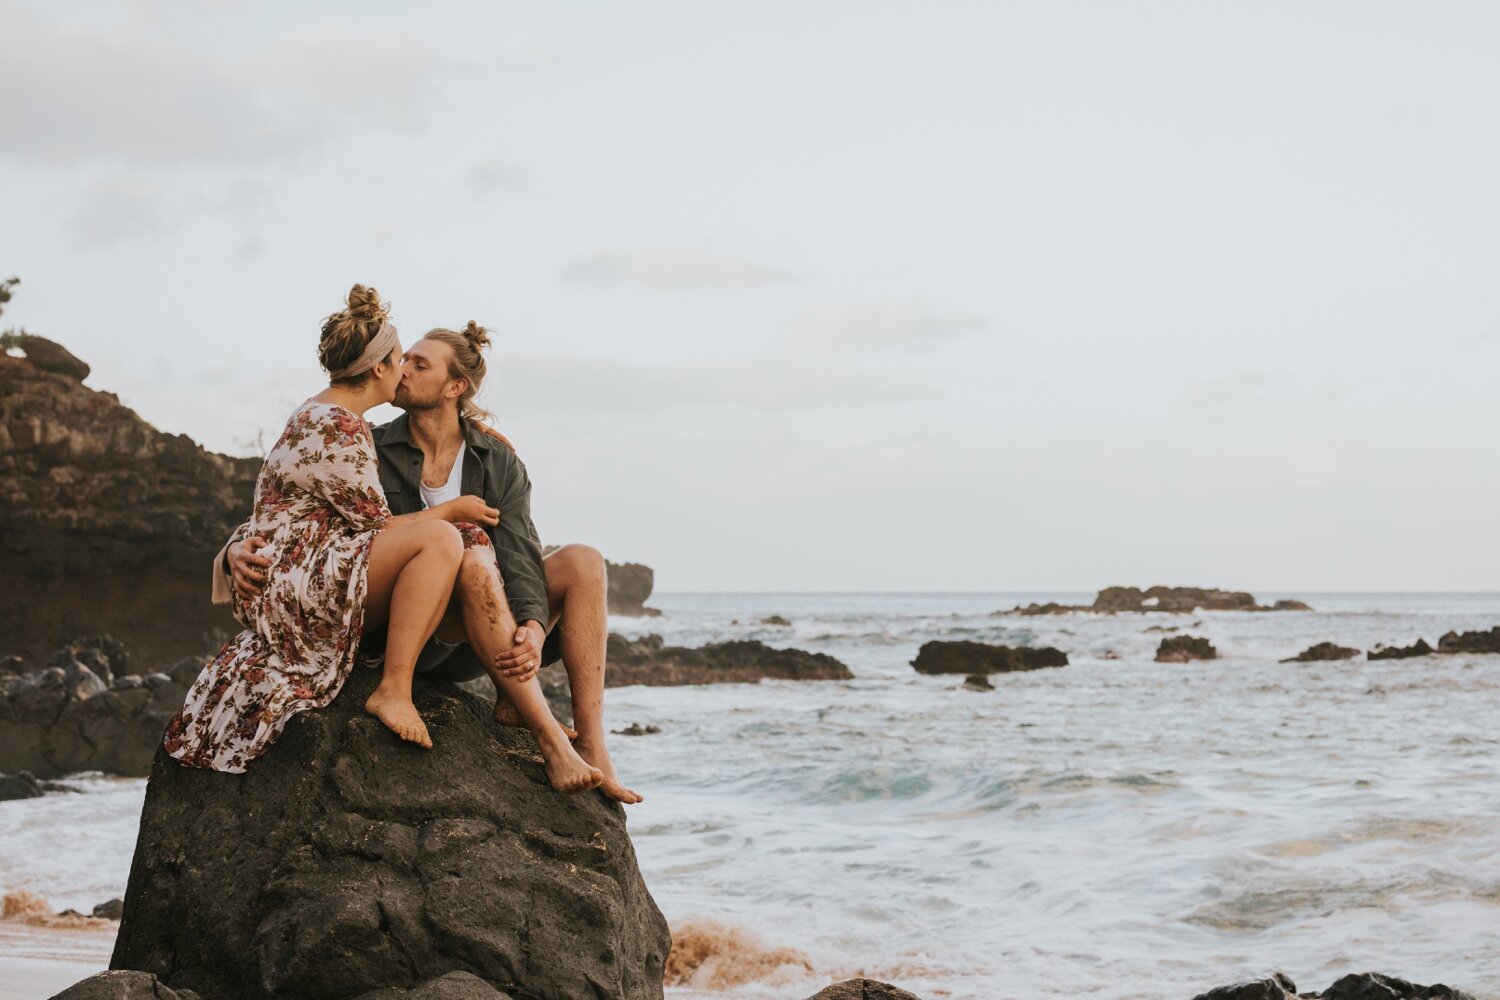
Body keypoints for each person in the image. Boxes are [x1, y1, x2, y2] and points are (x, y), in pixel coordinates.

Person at [167, 285, 601, 794]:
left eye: (420, 365)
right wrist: (232, 554)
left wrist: (531, 624)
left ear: (454, 387)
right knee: (456, 541)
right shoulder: (365, 439)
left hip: (480, 637)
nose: (405, 370)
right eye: (404, 360)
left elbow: (522, 550)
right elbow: (292, 506)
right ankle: (545, 736)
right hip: (406, 625)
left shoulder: (495, 457)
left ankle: (591, 744)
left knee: (582, 561)